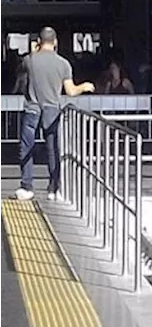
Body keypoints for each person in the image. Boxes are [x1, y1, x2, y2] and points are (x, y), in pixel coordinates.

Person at [15, 27, 94, 202]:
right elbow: (71, 91)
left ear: (39, 42)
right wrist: (85, 86)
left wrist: (35, 51)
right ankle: (53, 187)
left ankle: (26, 186)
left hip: (32, 108)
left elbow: (22, 72)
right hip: (52, 108)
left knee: (27, 146)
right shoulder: (63, 64)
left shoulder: (29, 60)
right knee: (53, 148)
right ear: (56, 42)